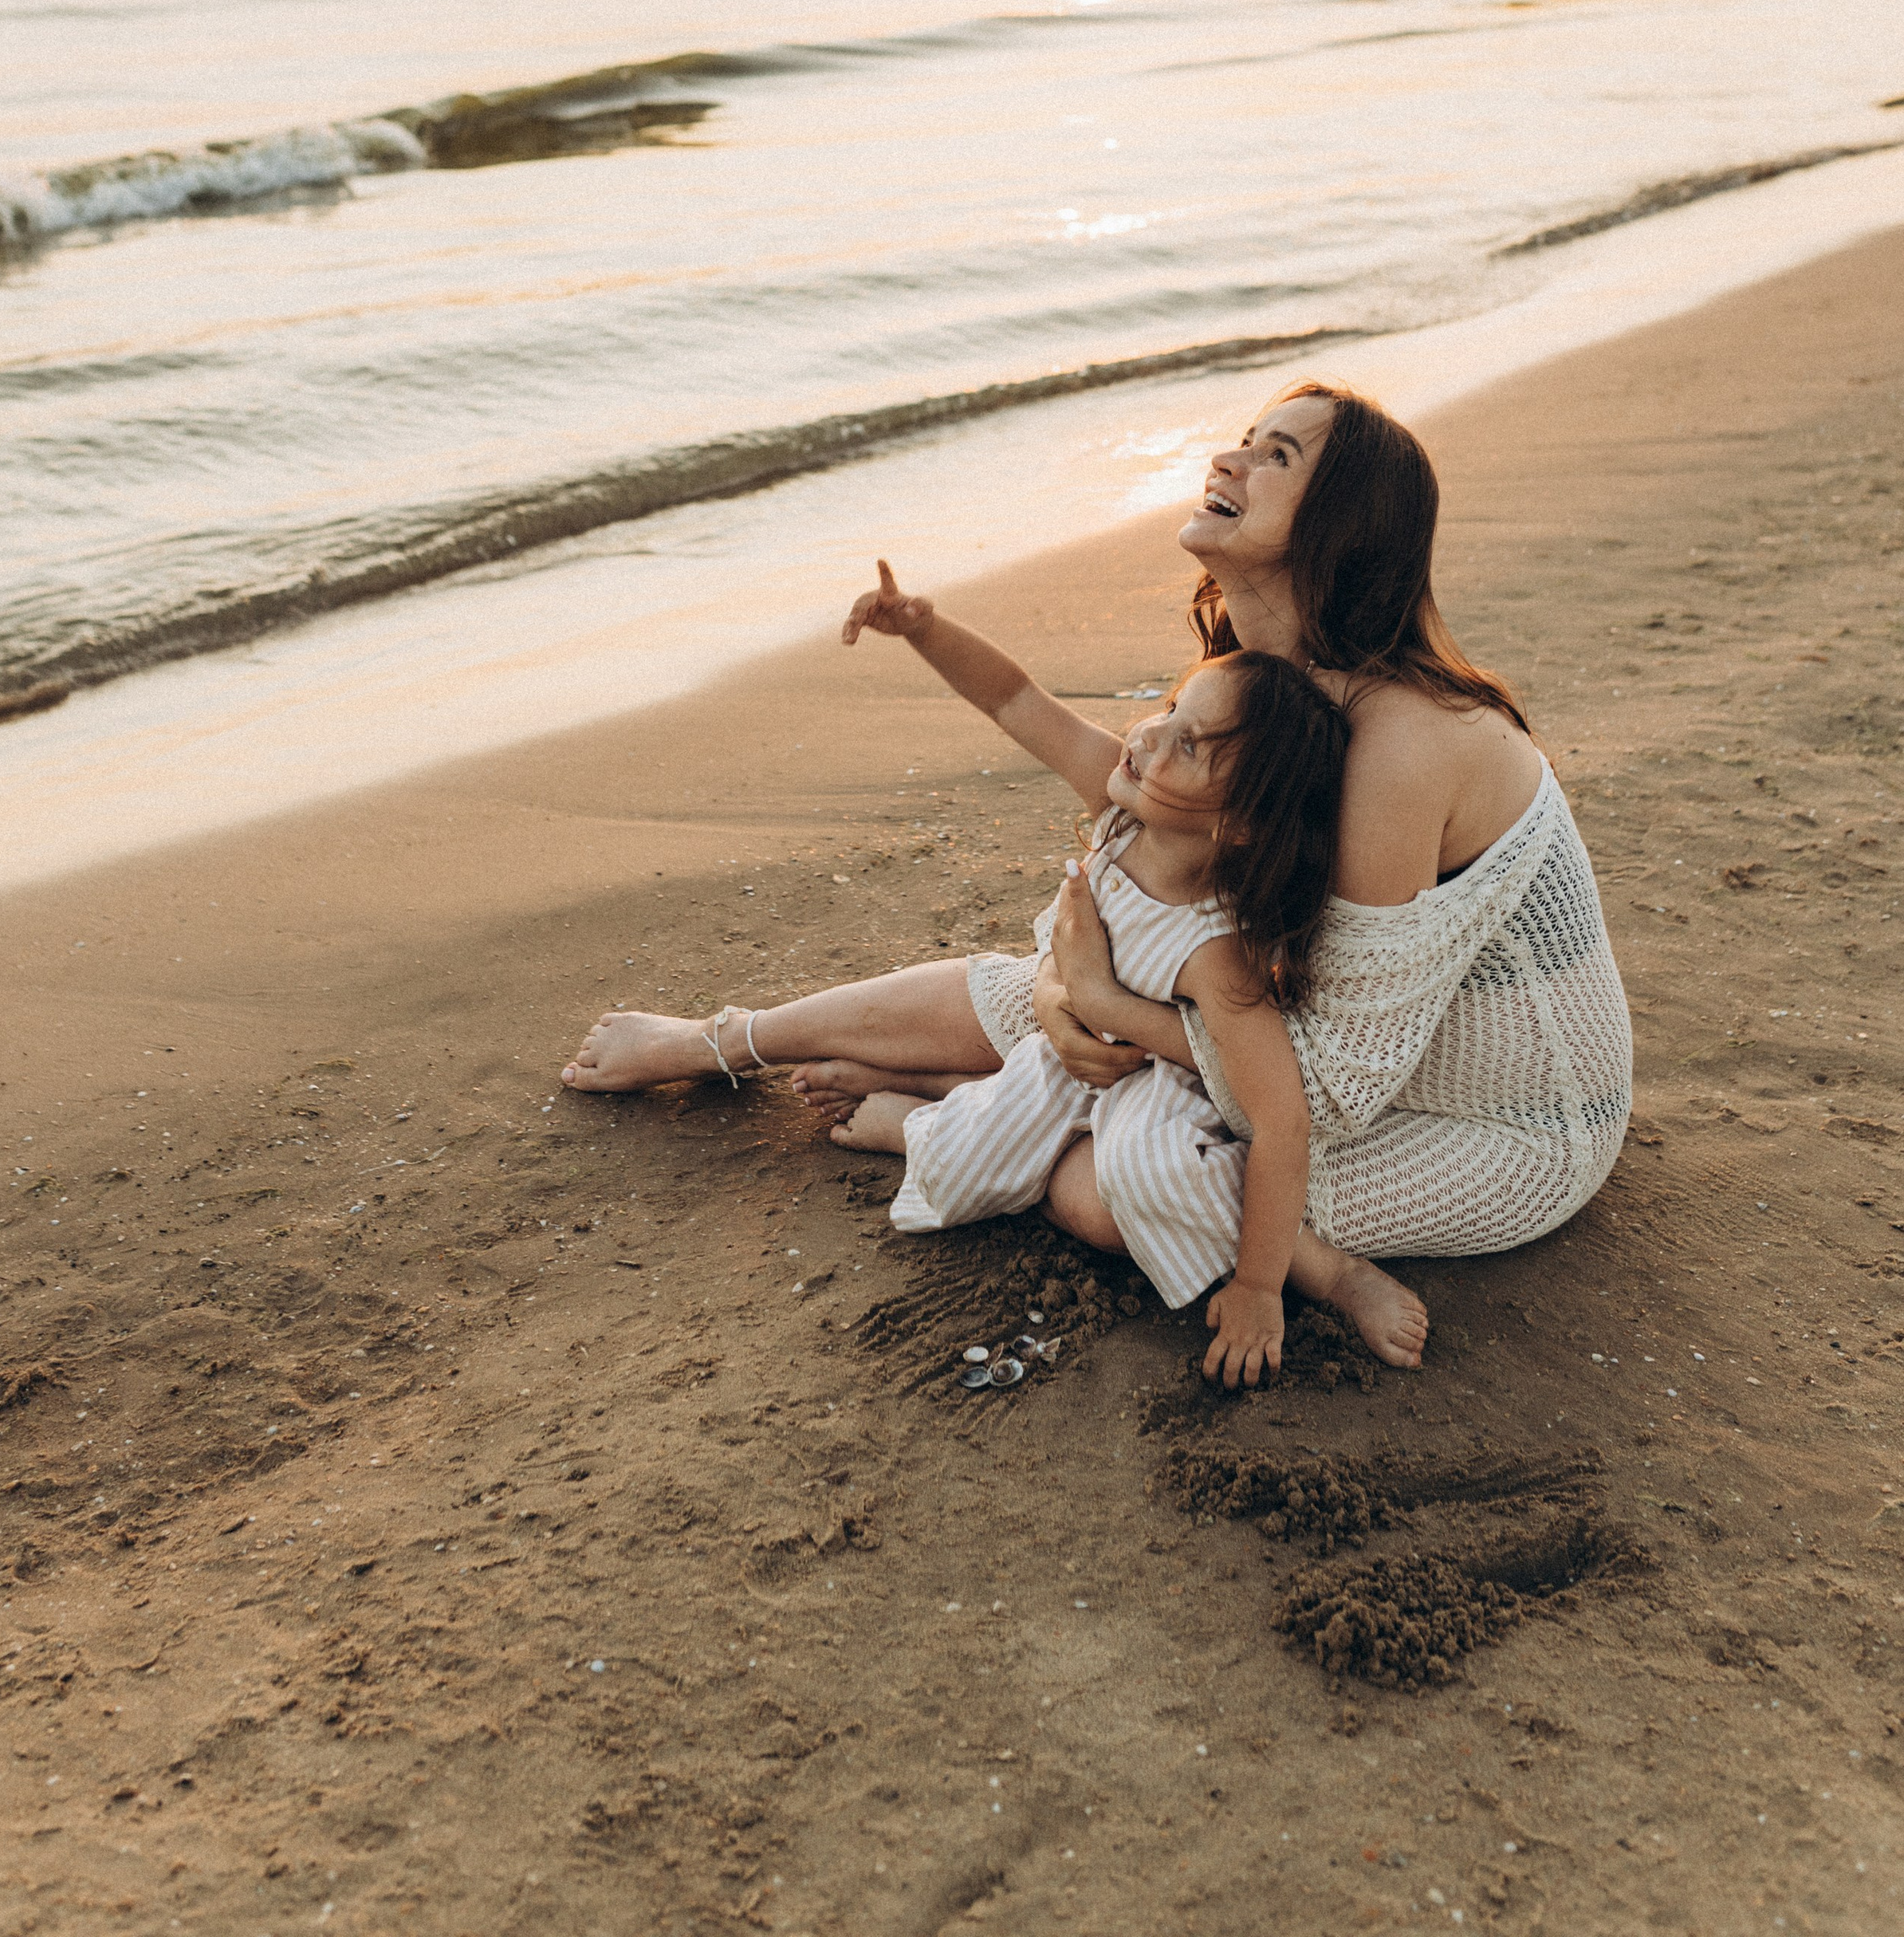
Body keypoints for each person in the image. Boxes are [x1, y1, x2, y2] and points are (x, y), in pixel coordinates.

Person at [561, 384, 1634, 1369]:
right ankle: (718, 1040)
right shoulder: (1254, 697)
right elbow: (1114, 863)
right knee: (1035, 1010)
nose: (1228, 457)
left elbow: (1331, 1095)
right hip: (1272, 1038)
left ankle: (944, 1113)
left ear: (1342, 524)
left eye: (1274, 456)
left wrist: (1106, 1006)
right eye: (1244, 437)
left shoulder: (1402, 745)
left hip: (1500, 1130)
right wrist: (1055, 998)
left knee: (1114, 1195)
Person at [823, 606, 1349, 1385]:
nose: (1149, 737)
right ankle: (929, 1113)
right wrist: (923, 628)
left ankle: (1336, 1275)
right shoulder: (1118, 808)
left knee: (1140, 1178)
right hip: (1068, 1059)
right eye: (1171, 709)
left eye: (1191, 745)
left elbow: (1281, 1122)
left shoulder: (1215, 953)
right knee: (968, 1166)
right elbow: (1014, 700)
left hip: (1161, 1099)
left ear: (1241, 823)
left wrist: (1257, 1287)